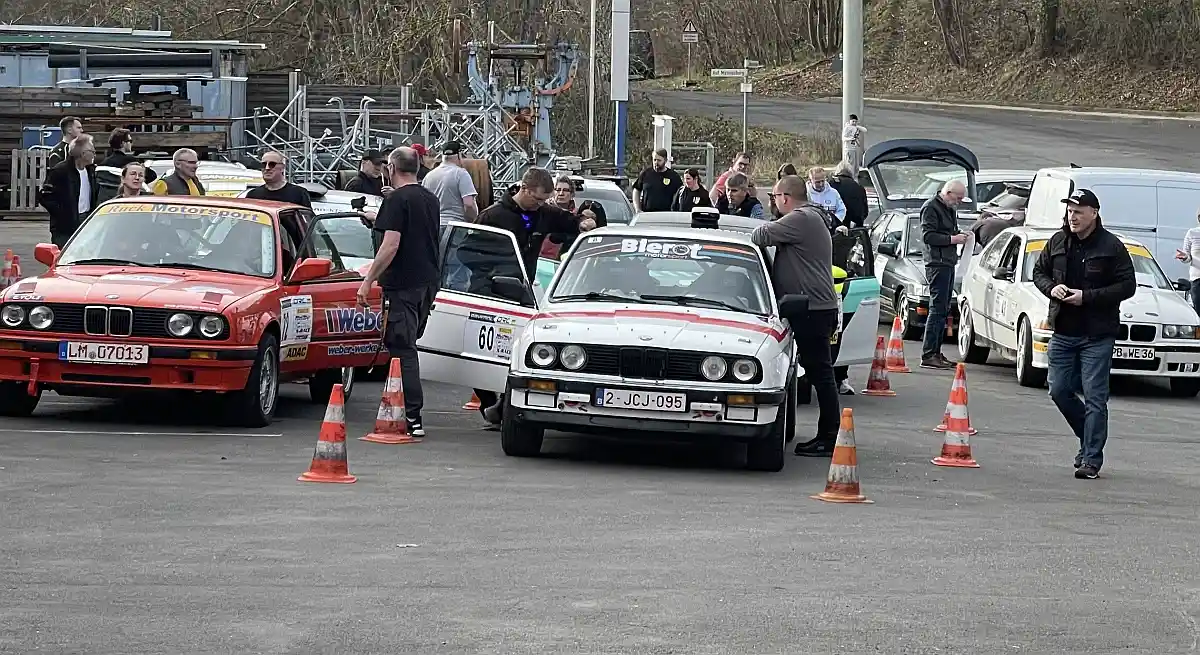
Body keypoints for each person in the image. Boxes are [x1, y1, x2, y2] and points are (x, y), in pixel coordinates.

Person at [472, 167, 598, 422]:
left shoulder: (543, 213)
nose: (540, 205)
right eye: (538, 199)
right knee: (483, 353)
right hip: (488, 291)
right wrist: (492, 272)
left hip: (521, 291)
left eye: (544, 201)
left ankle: (504, 405)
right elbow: (468, 252)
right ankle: (489, 402)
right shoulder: (492, 216)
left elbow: (567, 220)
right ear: (524, 189)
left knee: (516, 353)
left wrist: (582, 222)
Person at [1031, 189, 1135, 479]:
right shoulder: (1058, 241)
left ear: (1094, 213)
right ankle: (1087, 438)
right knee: (1059, 390)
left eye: (1078, 211)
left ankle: (1091, 459)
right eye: (1069, 211)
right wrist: (1052, 288)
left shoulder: (1111, 246)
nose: (1072, 216)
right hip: (1063, 331)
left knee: (1095, 397)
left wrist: (1086, 297)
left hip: (1096, 334)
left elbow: (1127, 286)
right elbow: (1039, 273)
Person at [750, 174, 840, 456]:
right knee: (818, 372)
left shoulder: (801, 218)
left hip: (812, 309)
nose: (773, 203)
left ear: (785, 198)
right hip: (813, 307)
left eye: (774, 198)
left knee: (820, 373)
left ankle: (829, 436)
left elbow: (760, 235)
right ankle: (828, 433)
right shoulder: (810, 218)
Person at [355, 147, 442, 438]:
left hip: (403, 283)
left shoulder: (396, 200)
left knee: (403, 349)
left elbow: (390, 245)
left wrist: (368, 280)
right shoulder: (430, 199)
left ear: (391, 168)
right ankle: (407, 412)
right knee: (409, 343)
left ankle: (412, 417)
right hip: (427, 282)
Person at [919, 179, 968, 369]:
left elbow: (948, 231)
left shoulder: (949, 208)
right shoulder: (931, 208)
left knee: (944, 308)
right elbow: (928, 236)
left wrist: (960, 235)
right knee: (937, 308)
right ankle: (929, 353)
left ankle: (936, 352)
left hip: (947, 261)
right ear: (948, 193)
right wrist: (952, 239)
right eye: (958, 198)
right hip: (936, 263)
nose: (959, 202)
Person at [39, 134, 99, 248]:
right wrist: (62, 213)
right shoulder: (60, 171)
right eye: (92, 151)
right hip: (64, 227)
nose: (95, 154)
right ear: (83, 153)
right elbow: (45, 196)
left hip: (86, 220)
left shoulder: (91, 170)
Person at [421, 140, 478, 225]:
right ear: (459, 155)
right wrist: (473, 221)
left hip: (434, 226)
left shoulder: (429, 176)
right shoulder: (461, 174)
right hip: (456, 226)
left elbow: (423, 204)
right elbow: (469, 204)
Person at [245, 151, 312, 208]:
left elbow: (308, 220)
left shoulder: (299, 193)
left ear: (282, 168)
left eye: (272, 164)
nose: (267, 168)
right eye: (264, 164)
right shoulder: (252, 195)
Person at [540, 175, 579, 260]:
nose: (561, 193)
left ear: (572, 194)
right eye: (558, 190)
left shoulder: (577, 215)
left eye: (565, 190)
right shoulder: (543, 211)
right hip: (544, 260)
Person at [632, 148, 682, 213]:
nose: (656, 163)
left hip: (667, 215)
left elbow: (681, 194)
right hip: (647, 214)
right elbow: (636, 190)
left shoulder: (674, 176)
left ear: (665, 160)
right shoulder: (646, 173)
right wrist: (637, 208)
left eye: (659, 160)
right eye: (654, 160)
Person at [1175, 209, 1200, 317]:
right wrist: (1184, 257)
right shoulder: (1192, 233)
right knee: (1198, 312)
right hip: (1197, 280)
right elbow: (1187, 256)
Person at [829, 161, 868, 230]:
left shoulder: (830, 184)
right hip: (853, 229)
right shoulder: (859, 187)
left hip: (834, 226)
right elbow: (864, 211)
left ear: (837, 171)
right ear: (851, 172)